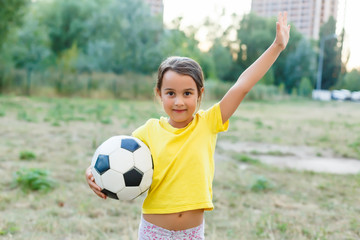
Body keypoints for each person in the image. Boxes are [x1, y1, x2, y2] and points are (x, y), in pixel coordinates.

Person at [86, 12, 290, 239]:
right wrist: (93, 173)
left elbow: (241, 86)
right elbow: (114, 158)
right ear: (159, 94)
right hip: (154, 231)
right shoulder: (147, 132)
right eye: (170, 93)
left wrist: (276, 47)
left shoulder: (209, 122)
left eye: (187, 93)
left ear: (200, 94)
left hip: (192, 232)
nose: (179, 101)